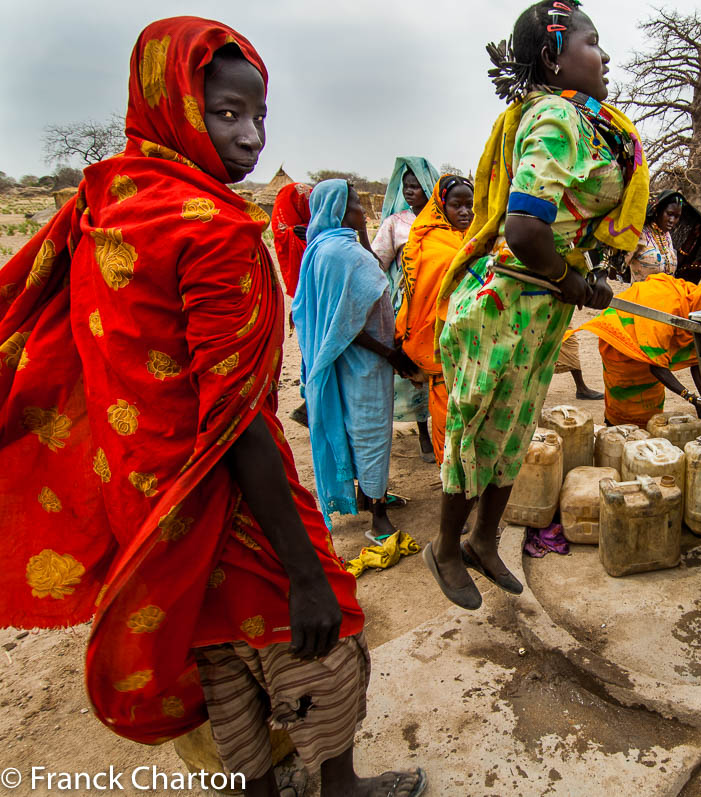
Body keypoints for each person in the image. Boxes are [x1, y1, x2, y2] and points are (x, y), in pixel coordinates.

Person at [0, 18, 424, 796]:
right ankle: (340, 786)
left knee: (215, 651)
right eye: (227, 113)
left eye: (258, 115)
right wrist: (302, 567)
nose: (251, 136)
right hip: (223, 494)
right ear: (172, 104)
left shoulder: (106, 201)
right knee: (323, 638)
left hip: (145, 492)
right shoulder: (214, 231)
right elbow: (234, 421)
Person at [426, 0, 649, 610]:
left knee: (514, 428)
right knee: (474, 429)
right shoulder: (554, 117)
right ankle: (444, 547)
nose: (605, 56)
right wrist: (571, 280)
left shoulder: (588, 120)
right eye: (592, 43)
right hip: (503, 300)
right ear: (554, 56)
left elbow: (565, 231)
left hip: (539, 302)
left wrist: (581, 278)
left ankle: (482, 540)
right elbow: (525, 229)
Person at [294, 180, 415, 543]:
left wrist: (362, 232)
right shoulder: (343, 255)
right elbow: (347, 322)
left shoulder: (321, 248)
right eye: (356, 205)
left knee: (351, 426)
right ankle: (377, 517)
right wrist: (391, 354)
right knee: (371, 430)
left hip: (341, 358)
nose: (363, 212)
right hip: (364, 360)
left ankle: (366, 495)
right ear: (338, 210)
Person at [571, 274, 701, 427]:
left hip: (648, 340)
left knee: (651, 405)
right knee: (625, 401)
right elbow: (657, 367)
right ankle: (613, 425)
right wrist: (691, 398)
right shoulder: (667, 309)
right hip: (622, 339)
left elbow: (697, 359)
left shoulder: (696, 302)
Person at [395, 175, 475, 464]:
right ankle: (449, 473)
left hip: (471, 341)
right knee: (447, 412)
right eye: (457, 205)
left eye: (470, 205)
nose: (465, 212)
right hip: (440, 340)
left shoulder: (471, 238)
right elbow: (424, 294)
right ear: (442, 205)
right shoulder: (433, 242)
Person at [373, 156, 440, 462]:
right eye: (406, 186)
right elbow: (378, 263)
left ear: (429, 188)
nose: (410, 191)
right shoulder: (395, 224)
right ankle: (423, 431)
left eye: (416, 186)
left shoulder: (445, 218)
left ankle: (439, 429)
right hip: (409, 305)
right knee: (412, 368)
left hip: (438, 302)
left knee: (439, 366)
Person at [270, 181, 315, 426]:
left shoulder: (300, 232)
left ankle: (309, 403)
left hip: (301, 300)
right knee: (313, 352)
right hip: (309, 300)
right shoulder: (296, 234)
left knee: (310, 352)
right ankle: (311, 404)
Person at [625, 189, 701, 284]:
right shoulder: (639, 235)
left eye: (677, 217)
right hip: (642, 296)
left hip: (668, 294)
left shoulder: (666, 236)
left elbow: (670, 265)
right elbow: (618, 266)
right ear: (658, 211)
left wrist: (691, 239)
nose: (672, 220)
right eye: (669, 214)